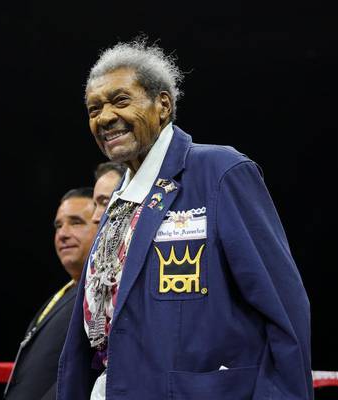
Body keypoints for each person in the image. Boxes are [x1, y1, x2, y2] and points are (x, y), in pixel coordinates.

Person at [57, 39, 313, 400]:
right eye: (94, 109)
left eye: (121, 100)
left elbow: (284, 307)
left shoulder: (219, 172)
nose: (105, 117)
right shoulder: (118, 200)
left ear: (163, 105)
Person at [4, 188, 96, 400]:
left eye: (76, 222)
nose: (63, 234)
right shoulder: (68, 291)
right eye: (58, 226)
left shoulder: (98, 292)